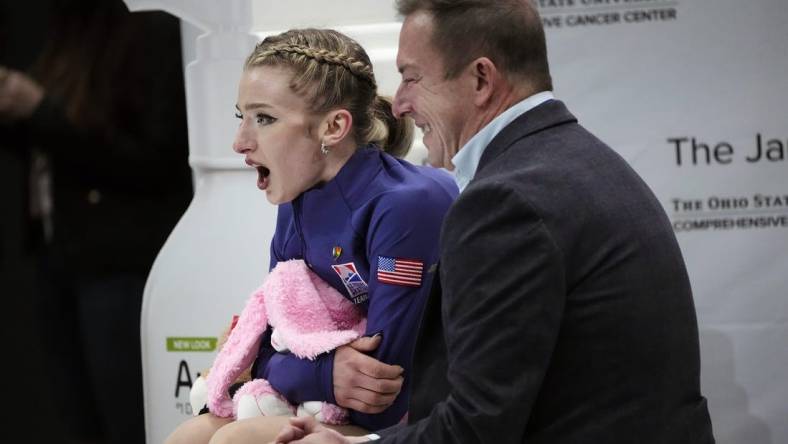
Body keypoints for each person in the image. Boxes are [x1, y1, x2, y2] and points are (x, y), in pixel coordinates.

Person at [273, 1, 716, 443]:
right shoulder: (581, 162)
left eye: (411, 77)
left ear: (481, 79)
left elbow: (477, 428)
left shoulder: (505, 201)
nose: (401, 104)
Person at [163, 28, 458, 444]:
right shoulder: (298, 199)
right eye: (240, 117)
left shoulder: (406, 205)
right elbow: (264, 347)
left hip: (420, 420)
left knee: (235, 441)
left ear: (334, 127)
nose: (240, 142)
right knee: (188, 437)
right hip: (341, 407)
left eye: (264, 118)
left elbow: (381, 394)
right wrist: (320, 372)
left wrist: (300, 369)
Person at [0, 1, 193, 443]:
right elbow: (56, 146)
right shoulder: (69, 29)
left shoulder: (150, 31)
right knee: (78, 416)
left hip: (118, 263)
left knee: (126, 416)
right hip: (59, 256)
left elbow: (157, 163)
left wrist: (38, 110)